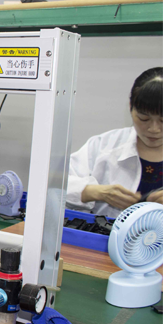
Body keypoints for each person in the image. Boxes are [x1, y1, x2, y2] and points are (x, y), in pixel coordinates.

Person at [67, 67, 163, 218]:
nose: (154, 129)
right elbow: (55, 185)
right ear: (130, 107)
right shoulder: (104, 145)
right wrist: (93, 192)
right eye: (144, 119)